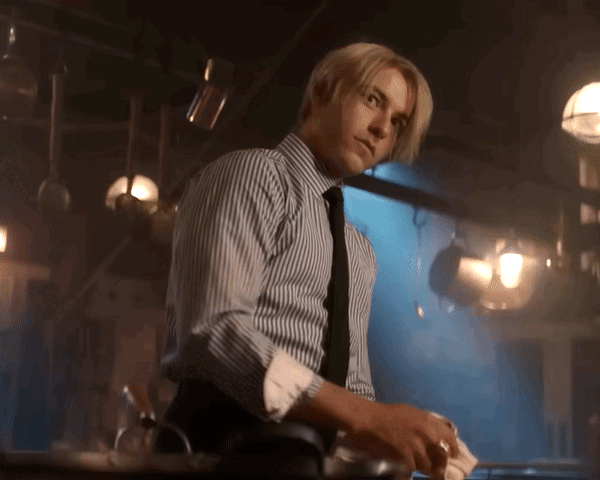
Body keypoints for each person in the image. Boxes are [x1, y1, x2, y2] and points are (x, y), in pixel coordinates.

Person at [157, 42, 460, 478]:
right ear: (322, 90)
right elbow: (212, 331)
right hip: (218, 452)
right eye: (372, 99)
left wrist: (398, 440)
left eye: (397, 121)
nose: (381, 129)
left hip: (305, 463)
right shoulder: (255, 174)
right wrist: (368, 416)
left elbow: (352, 393)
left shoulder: (359, 248)